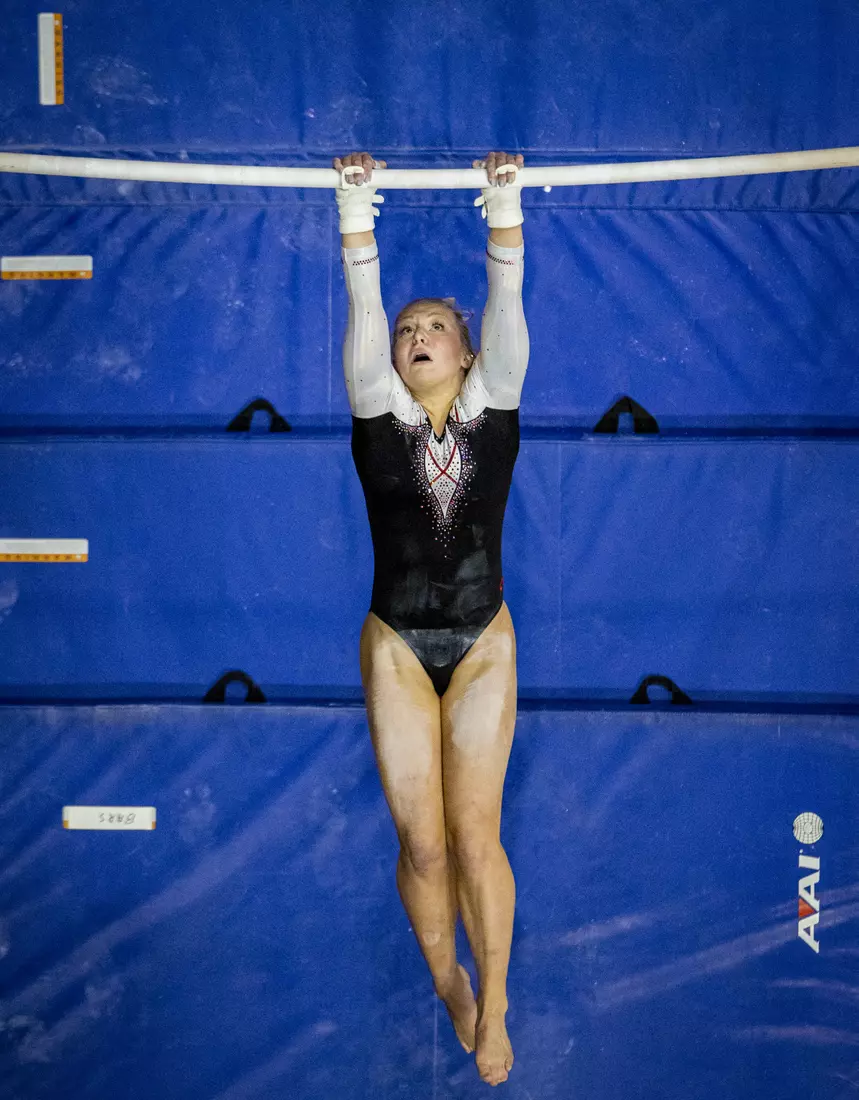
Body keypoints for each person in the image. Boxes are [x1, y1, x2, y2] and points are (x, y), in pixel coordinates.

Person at [334, 149, 529, 1087]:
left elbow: (507, 305)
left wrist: (502, 207)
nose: (414, 334)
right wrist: (354, 215)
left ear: (465, 350)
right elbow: (364, 317)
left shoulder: (496, 401)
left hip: (483, 637)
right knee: (421, 842)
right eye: (408, 327)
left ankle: (494, 999)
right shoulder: (376, 406)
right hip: (398, 641)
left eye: (435, 326)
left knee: (474, 834)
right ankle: (446, 976)